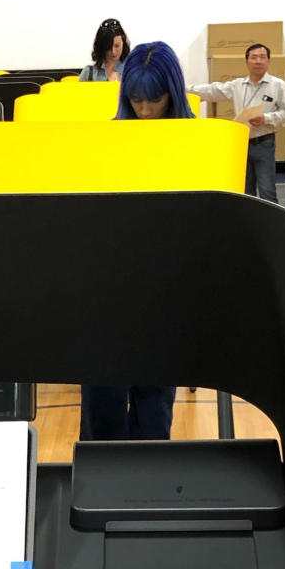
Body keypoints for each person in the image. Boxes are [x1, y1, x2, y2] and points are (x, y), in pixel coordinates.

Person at [80, 41, 194, 443]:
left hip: (166, 297)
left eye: (155, 100)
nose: (145, 111)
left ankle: (149, 496)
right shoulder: (108, 142)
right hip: (107, 295)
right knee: (102, 410)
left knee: (153, 412)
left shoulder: (195, 143)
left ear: (173, 94)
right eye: (136, 101)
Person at [186, 43, 285, 203]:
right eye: (254, 57)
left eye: (262, 57)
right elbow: (213, 90)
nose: (258, 61)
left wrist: (266, 119)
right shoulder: (237, 85)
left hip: (264, 143)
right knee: (245, 190)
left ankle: (270, 225)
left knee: (267, 190)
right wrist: (184, 88)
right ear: (247, 62)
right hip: (240, 144)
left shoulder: (277, 85)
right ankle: (248, 224)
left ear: (268, 61)